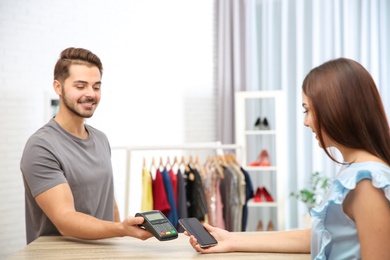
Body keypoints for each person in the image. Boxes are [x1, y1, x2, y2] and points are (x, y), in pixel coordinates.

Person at [186, 58, 390, 259]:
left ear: (336, 108)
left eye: (307, 110)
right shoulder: (355, 172)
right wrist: (231, 240)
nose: (305, 121)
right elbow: (314, 238)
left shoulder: (367, 182)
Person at [20, 47, 153, 244]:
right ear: (58, 87)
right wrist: (121, 229)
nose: (90, 94)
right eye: (80, 86)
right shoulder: (41, 146)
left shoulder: (100, 139)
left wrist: (120, 241)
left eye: (96, 87)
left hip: (103, 254)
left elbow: (110, 203)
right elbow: (65, 220)